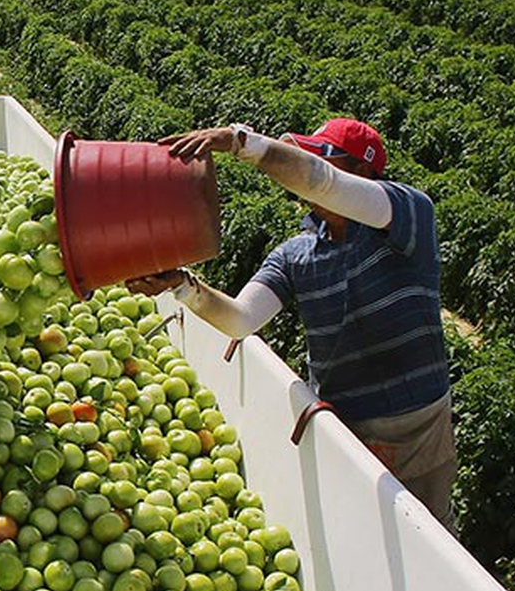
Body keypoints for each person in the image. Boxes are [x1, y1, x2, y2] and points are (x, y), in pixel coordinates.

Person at [127, 118, 455, 526]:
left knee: (427, 532)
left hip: (415, 426)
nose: (305, 170)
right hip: (342, 427)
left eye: (320, 158)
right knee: (356, 531)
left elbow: (323, 183)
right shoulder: (296, 255)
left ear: (364, 172)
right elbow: (241, 320)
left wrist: (240, 141)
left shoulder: (407, 215)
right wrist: (183, 286)